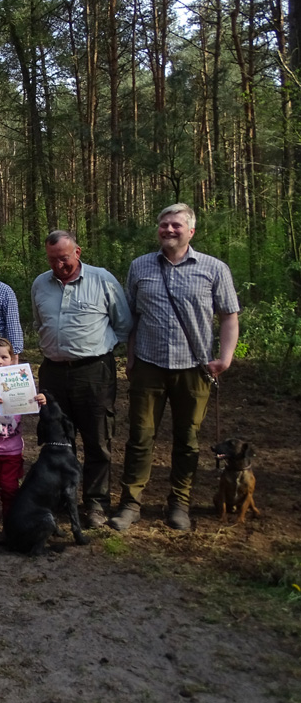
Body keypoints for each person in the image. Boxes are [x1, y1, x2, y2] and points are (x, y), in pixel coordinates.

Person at [109, 204, 239, 532]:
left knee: (188, 440)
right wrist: (131, 357)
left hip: (194, 369)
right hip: (149, 367)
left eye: (176, 225)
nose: (168, 230)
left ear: (190, 231)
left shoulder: (214, 269)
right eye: (163, 224)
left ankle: (180, 503)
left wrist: (225, 358)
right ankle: (130, 503)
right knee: (139, 437)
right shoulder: (140, 267)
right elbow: (131, 316)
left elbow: (229, 316)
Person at [32, 230, 132, 526]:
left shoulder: (102, 280)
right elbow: (40, 322)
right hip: (52, 371)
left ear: (78, 252)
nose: (58, 265)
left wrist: (96, 349)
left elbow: (123, 324)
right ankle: (64, 499)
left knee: (97, 438)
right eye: (52, 260)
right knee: (58, 439)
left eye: (63, 258)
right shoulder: (40, 284)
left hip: (94, 371)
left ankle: (96, 503)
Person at [0, 338, 46, 547]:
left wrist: (40, 401)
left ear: (13, 359)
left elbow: (31, 409)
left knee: (10, 490)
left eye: (4, 357)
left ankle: (9, 529)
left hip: (13, 449)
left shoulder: (21, 379)